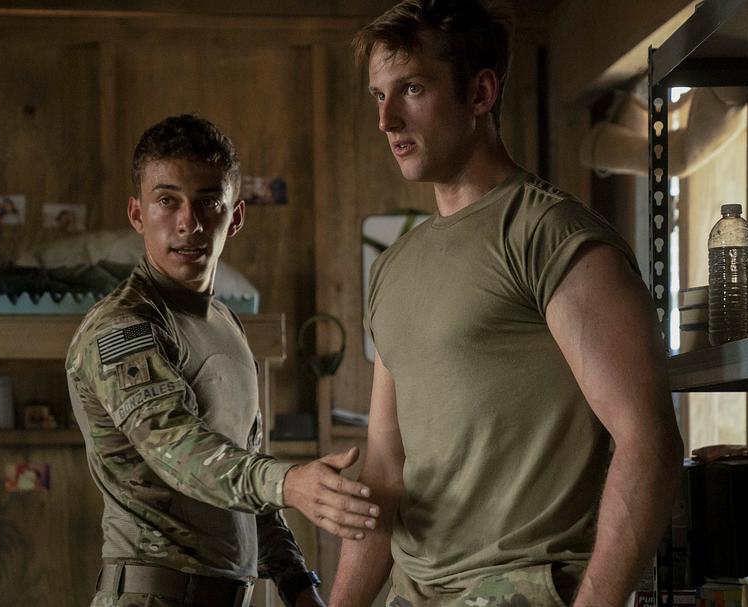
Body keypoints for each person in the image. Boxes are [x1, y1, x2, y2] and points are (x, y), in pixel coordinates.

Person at [330, 2, 683, 607]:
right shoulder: (393, 267)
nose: (387, 119)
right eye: (378, 96)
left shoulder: (549, 234)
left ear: (481, 93)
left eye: (412, 89)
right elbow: (386, 468)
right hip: (411, 594)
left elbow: (648, 439)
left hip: (523, 587)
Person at [67, 114, 379, 607]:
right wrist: (288, 482)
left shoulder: (226, 324)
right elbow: (180, 450)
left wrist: (299, 586)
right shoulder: (123, 327)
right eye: (167, 201)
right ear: (137, 214)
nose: (188, 222)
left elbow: (241, 477)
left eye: (208, 202)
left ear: (234, 217)